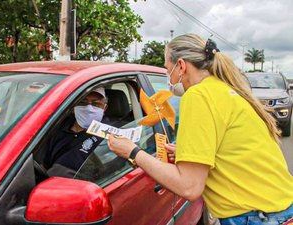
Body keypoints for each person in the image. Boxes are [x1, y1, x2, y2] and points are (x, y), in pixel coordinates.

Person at [107, 33, 293, 225]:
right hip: (277, 208)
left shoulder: (198, 96)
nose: (166, 75)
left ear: (181, 65)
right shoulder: (222, 89)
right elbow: (235, 149)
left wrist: (132, 151)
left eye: (166, 68)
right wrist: (189, 153)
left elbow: (189, 187)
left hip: (256, 217)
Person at [43, 87, 108, 178]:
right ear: (73, 107)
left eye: (96, 104)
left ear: (104, 108)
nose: (89, 108)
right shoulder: (57, 126)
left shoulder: (108, 135)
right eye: (83, 102)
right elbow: (44, 163)